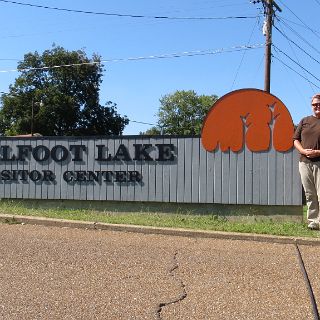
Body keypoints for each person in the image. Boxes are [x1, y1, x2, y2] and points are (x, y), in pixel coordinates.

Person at [293, 93, 320, 230]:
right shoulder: (304, 121)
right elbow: (295, 140)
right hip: (304, 162)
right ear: (311, 106)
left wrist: (318, 152)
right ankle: (314, 222)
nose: (317, 106)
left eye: (319, 103)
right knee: (310, 193)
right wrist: (303, 151)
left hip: (319, 162)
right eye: (314, 104)